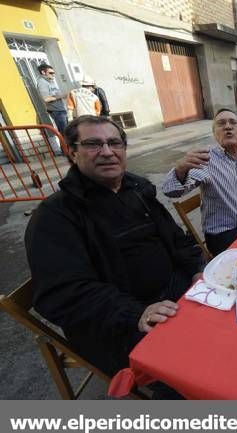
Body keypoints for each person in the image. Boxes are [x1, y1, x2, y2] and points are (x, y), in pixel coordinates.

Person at [24, 115, 205, 377]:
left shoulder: (136, 190)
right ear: (72, 152)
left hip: (175, 292)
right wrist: (135, 313)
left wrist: (197, 268)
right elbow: (63, 295)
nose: (107, 152)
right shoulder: (55, 216)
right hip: (123, 325)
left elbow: (175, 238)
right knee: (197, 369)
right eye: (93, 144)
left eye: (114, 143)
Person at [163, 108, 237, 256]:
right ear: (215, 134)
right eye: (221, 123)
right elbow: (171, 190)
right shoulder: (206, 160)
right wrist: (180, 170)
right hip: (222, 233)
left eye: (233, 123)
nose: (228, 126)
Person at [36, 64, 68, 134]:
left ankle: (65, 145)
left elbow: (55, 94)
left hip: (60, 109)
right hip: (56, 111)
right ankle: (65, 145)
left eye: (54, 73)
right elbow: (46, 99)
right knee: (64, 133)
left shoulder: (50, 81)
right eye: (50, 73)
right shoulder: (42, 82)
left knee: (66, 133)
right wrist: (61, 96)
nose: (53, 75)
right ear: (43, 72)